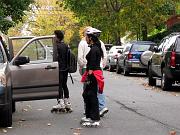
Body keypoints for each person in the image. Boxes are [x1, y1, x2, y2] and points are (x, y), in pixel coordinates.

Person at [78, 27, 108, 117]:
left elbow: (80, 58)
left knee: (89, 92)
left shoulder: (85, 44)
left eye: (87, 35)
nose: (85, 37)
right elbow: (105, 56)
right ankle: (101, 107)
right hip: (97, 69)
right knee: (96, 89)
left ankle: (90, 110)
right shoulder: (99, 43)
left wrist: (83, 67)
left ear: (90, 37)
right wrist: (102, 66)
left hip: (91, 70)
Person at [51, 30, 72, 113]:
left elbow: (55, 58)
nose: (53, 37)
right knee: (64, 85)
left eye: (54, 36)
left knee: (59, 85)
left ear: (57, 37)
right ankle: (67, 103)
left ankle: (60, 102)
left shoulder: (56, 46)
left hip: (59, 68)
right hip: (66, 68)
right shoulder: (66, 45)